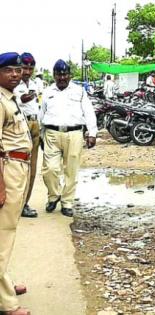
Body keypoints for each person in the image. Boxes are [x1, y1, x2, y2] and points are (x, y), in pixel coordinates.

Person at [39, 59, 97, 217]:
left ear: (70, 75)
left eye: (65, 74)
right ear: (54, 75)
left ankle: (67, 202)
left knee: (71, 170)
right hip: (51, 134)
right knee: (49, 169)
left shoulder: (79, 91)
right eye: (59, 74)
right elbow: (41, 114)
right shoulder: (47, 92)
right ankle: (54, 195)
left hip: (74, 134)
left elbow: (89, 112)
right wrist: (39, 134)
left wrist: (92, 133)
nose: (62, 78)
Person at [0, 52, 32, 315]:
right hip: (7, 168)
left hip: (18, 166)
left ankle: (6, 284)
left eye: (17, 70)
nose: (15, 74)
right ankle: (6, 303)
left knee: (6, 234)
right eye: (8, 70)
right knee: (3, 235)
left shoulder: (10, 98)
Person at [13, 53, 40, 218]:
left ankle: (25, 203)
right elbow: (21, 99)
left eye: (30, 68)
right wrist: (28, 96)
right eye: (24, 67)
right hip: (20, 126)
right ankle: (16, 203)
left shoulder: (35, 84)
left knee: (32, 168)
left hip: (35, 124)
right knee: (18, 167)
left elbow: (37, 106)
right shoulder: (13, 83)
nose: (27, 71)